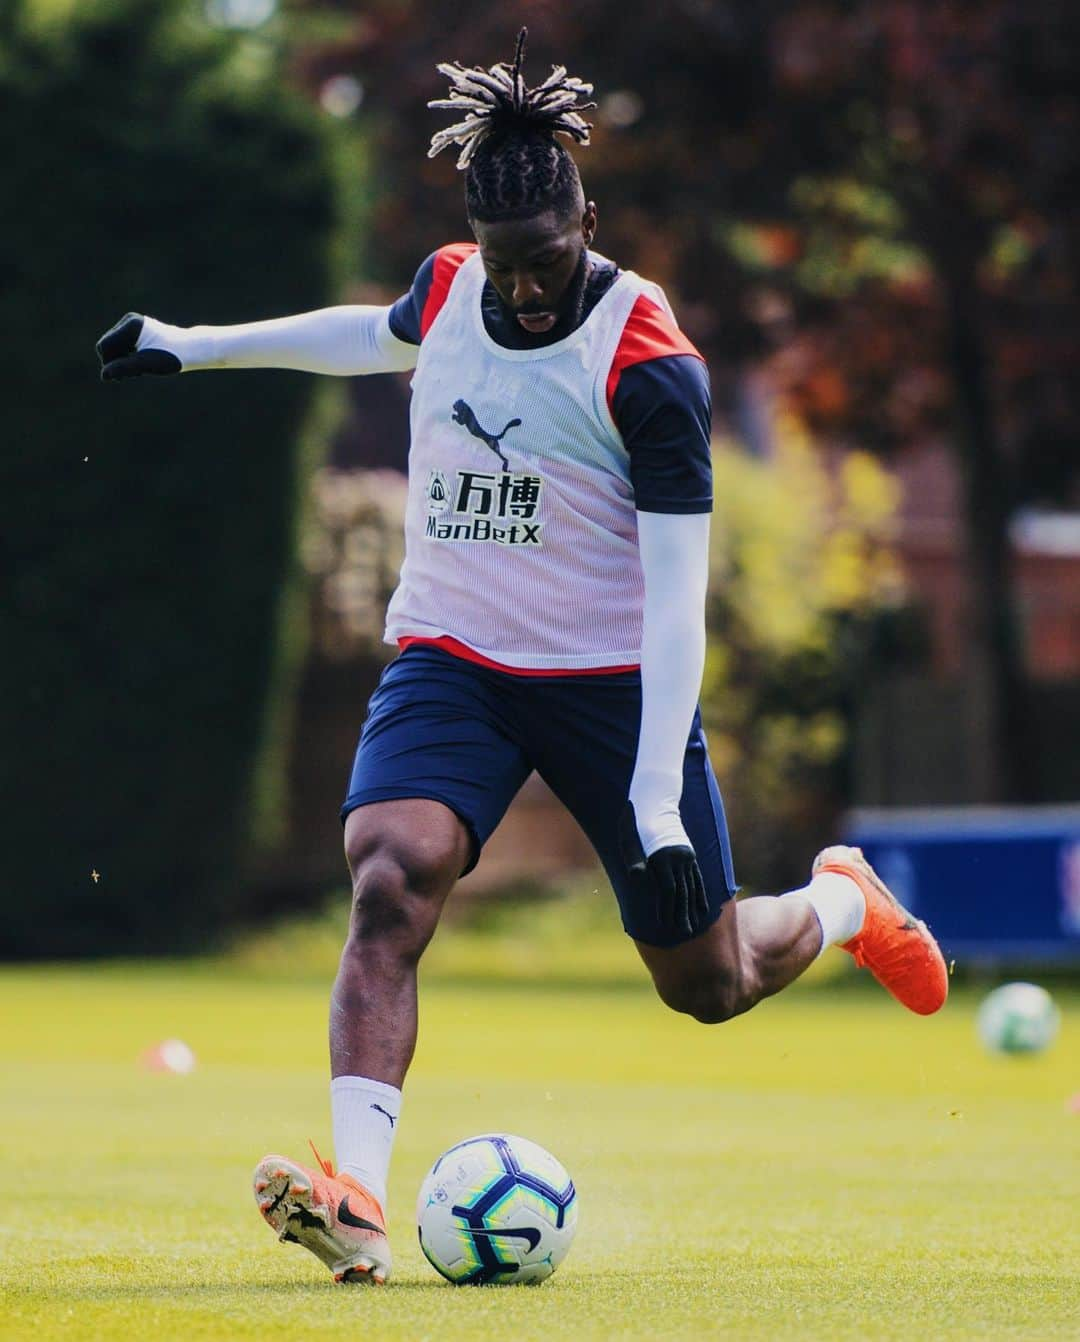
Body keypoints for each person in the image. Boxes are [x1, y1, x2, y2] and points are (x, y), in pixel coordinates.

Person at [96, 31, 947, 1288]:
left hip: (613, 685)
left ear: (586, 216)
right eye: (508, 266)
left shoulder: (651, 365)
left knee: (707, 982)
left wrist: (655, 792)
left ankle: (839, 901)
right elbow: (371, 335)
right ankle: (359, 1199)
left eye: (547, 262)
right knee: (390, 877)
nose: (528, 290)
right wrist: (193, 342)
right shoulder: (451, 288)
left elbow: (677, 603)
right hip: (458, 658)